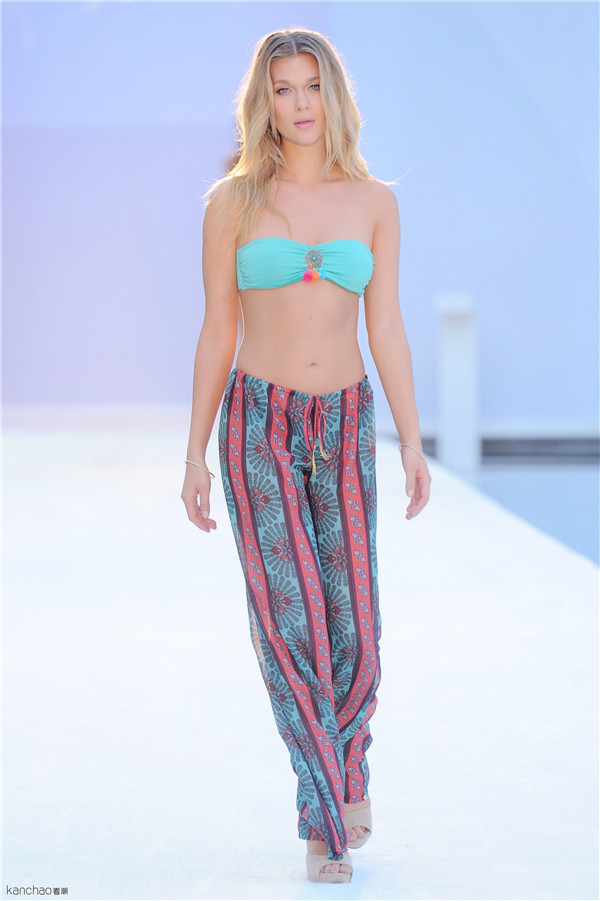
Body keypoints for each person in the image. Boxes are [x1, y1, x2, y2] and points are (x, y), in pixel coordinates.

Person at [181, 27, 431, 884]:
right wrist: (194, 454)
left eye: (311, 86)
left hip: (347, 422)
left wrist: (412, 440)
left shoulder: (375, 202)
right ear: (264, 101)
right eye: (283, 88)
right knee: (291, 623)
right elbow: (217, 330)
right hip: (259, 423)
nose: (299, 103)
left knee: (355, 623)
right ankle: (326, 814)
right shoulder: (233, 202)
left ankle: (349, 771)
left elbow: (386, 326)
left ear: (334, 96)